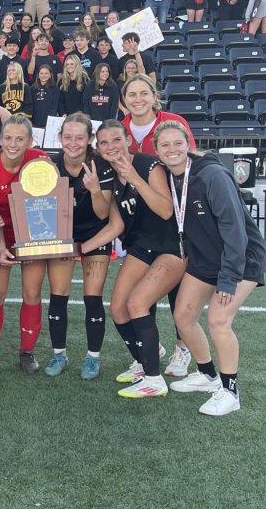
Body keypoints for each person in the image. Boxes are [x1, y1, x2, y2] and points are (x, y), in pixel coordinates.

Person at [153, 121, 265, 415]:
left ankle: (230, 391)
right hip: (205, 258)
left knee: (217, 319)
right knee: (183, 316)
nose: (172, 150)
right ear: (157, 151)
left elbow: (234, 231)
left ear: (187, 143)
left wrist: (228, 279)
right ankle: (207, 375)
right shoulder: (168, 178)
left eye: (177, 143)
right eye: (164, 145)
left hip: (240, 259)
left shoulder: (212, 174)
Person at [79, 120, 183, 398]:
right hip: (140, 248)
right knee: (118, 308)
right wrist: (81, 248)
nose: (111, 147)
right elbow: (115, 226)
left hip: (169, 247)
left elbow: (165, 211)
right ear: (97, 148)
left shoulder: (149, 165)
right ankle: (144, 358)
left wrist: (135, 178)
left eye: (116, 140)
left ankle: (154, 380)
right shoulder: (111, 177)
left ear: (128, 140)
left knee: (137, 303)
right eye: (104, 143)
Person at [0, 115, 49, 373]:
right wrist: (2, 247)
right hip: (0, 232)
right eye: (8, 138)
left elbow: (48, 203)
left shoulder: (40, 161)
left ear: (30, 140)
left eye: (19, 139)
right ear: (0, 139)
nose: (13, 144)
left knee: (31, 292)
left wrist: (33, 242)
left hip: (32, 233)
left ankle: (27, 351)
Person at [42, 114, 113, 379]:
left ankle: (92, 358)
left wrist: (94, 189)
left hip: (95, 235)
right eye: (68, 137)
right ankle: (59, 354)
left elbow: (104, 214)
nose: (73, 143)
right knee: (58, 295)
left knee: (92, 297)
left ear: (89, 139)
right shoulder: (50, 165)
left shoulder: (101, 167)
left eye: (80, 137)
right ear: (59, 137)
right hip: (63, 237)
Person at [120, 74, 194, 154]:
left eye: (144, 93)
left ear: (154, 97)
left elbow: (193, 159)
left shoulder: (176, 122)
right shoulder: (119, 130)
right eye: (132, 94)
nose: (138, 99)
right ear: (124, 99)